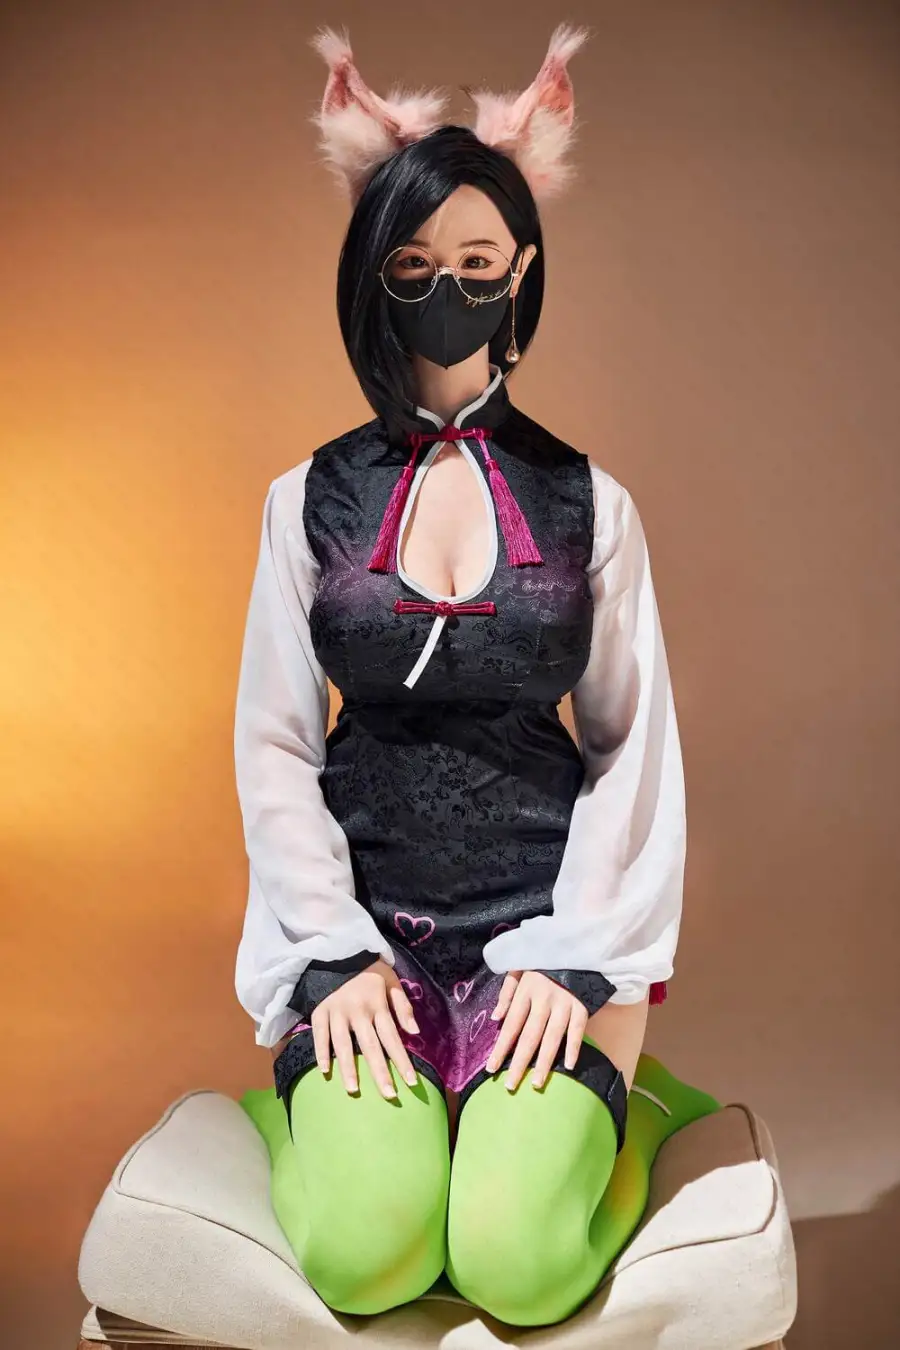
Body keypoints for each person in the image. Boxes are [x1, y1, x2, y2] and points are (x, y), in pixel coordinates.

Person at [233, 22, 721, 1328]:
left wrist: (581, 957)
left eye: (476, 262)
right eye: (411, 264)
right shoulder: (304, 500)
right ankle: (283, 1116)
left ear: (522, 271)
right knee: (365, 1255)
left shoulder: (591, 501)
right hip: (367, 933)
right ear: (370, 272)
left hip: (550, 931)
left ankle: (633, 1110)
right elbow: (276, 741)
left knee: (517, 1264)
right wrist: (328, 954)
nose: (444, 289)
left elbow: (630, 744)